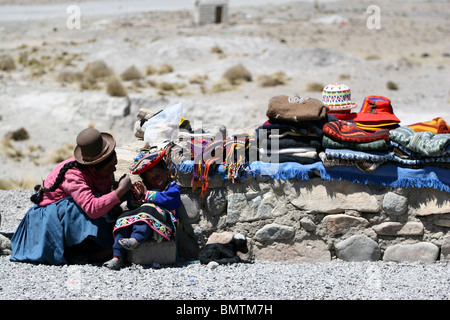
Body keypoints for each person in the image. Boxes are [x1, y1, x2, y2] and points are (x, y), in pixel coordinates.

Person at [10, 128, 132, 265]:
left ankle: (94, 248)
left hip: (77, 217)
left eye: (114, 165)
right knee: (74, 208)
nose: (114, 170)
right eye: (110, 168)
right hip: (50, 222)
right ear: (92, 168)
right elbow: (92, 209)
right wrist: (119, 192)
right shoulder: (73, 175)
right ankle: (74, 251)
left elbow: (104, 198)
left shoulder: (103, 171)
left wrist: (116, 202)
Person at [103, 149, 181, 270]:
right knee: (123, 217)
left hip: (162, 227)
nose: (156, 179)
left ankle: (136, 240)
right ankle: (117, 257)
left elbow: (171, 201)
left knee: (147, 208)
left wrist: (147, 195)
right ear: (146, 181)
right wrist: (137, 197)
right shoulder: (147, 190)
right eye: (151, 179)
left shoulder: (172, 188)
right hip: (145, 221)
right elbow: (131, 206)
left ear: (166, 170)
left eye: (159, 174)